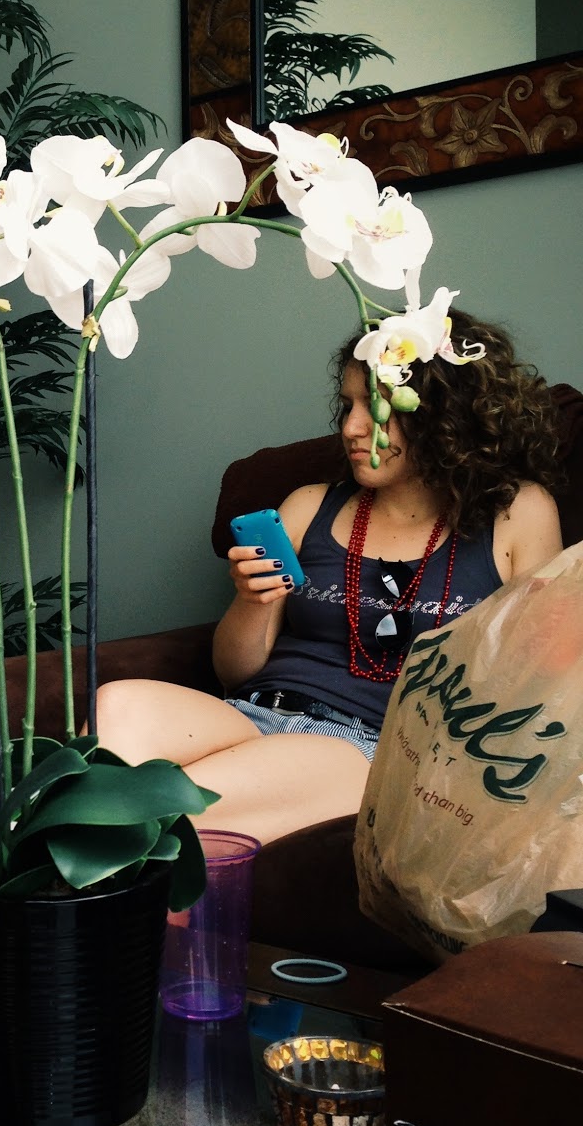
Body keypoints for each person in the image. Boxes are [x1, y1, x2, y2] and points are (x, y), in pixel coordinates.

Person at [95, 311, 564, 844]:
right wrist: (252, 599)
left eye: (377, 407)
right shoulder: (308, 505)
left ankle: (78, 869)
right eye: (347, 406)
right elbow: (235, 673)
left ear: (445, 415)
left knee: (161, 807)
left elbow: (537, 682)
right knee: (117, 707)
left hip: (374, 749)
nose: (351, 428)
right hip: (254, 712)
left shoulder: (518, 513)